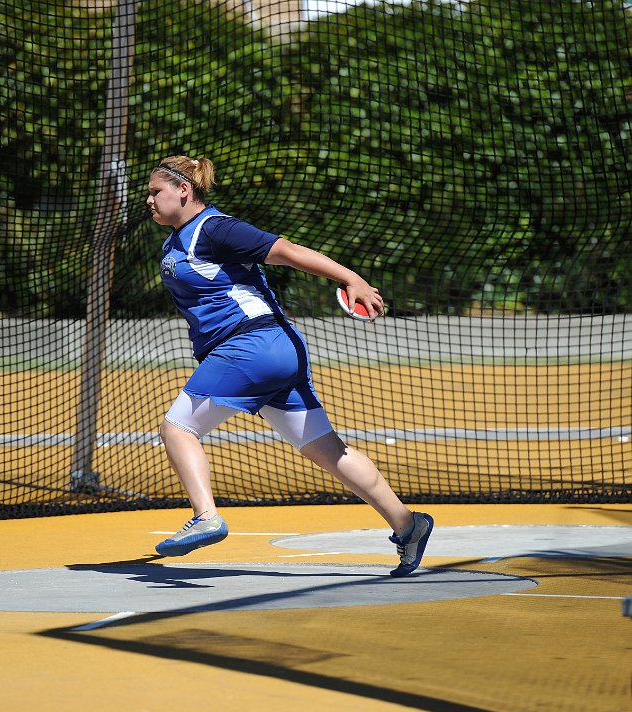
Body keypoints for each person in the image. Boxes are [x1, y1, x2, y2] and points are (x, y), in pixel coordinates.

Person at [146, 155, 434, 577]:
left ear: (184, 190)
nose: (149, 201)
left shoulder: (216, 228)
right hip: (274, 351)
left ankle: (206, 516)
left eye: (156, 192)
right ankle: (409, 525)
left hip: (251, 344)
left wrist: (350, 278)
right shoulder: (177, 240)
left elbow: (289, 252)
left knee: (178, 427)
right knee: (328, 451)